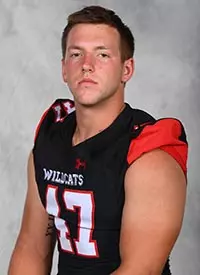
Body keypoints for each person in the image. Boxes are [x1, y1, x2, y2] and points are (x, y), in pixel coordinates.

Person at [8, 5, 188, 275]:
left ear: (126, 70)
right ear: (64, 69)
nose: (87, 66)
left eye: (102, 55)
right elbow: (32, 248)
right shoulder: (49, 142)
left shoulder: (149, 154)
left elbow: (141, 270)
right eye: (76, 54)